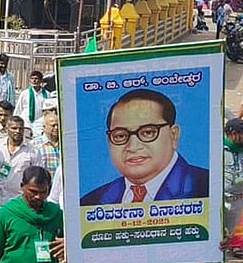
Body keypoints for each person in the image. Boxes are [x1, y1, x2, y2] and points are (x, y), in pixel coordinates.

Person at [81, 88, 210, 205]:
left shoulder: (207, 187)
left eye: (148, 133)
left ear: (173, 135)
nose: (133, 147)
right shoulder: (91, 203)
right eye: (120, 136)